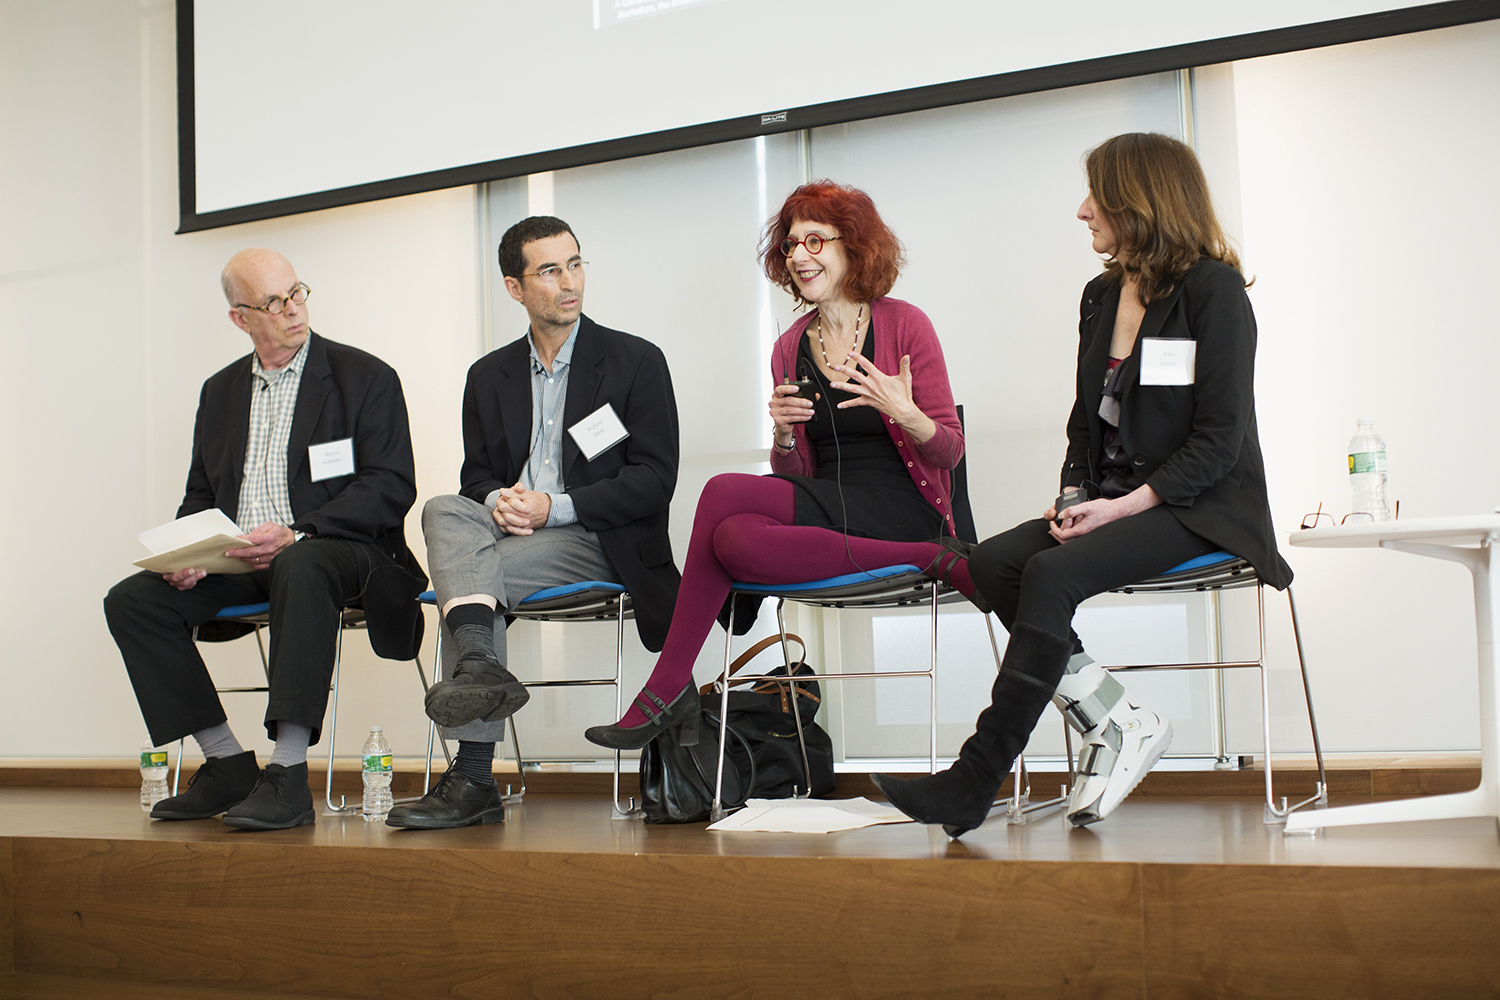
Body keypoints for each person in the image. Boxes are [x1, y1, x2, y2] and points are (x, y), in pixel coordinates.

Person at [875, 132, 1293, 836]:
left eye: (1096, 194)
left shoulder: (1214, 292)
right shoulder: (1101, 294)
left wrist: (1122, 507)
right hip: (1118, 501)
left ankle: (974, 778)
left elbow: (1219, 443)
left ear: (1141, 198)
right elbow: (1085, 420)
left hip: (1202, 505)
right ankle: (1121, 718)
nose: (1081, 210)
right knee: (991, 562)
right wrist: (1076, 496)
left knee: (1050, 575)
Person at [584, 180, 985, 752]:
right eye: (792, 245)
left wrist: (906, 411)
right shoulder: (790, 345)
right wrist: (783, 434)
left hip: (905, 507)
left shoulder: (905, 325)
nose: (799, 256)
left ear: (856, 247)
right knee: (734, 539)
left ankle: (666, 687)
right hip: (834, 510)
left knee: (723, 491)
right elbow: (797, 481)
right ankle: (928, 562)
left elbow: (948, 449)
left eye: (815, 241)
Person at [103, 249, 427, 831]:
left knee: (299, 564)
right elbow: (201, 494)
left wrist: (299, 531)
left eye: (297, 293)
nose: (293, 310)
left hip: (339, 549)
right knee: (132, 599)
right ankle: (226, 761)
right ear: (240, 318)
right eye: (274, 302)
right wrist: (189, 553)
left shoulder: (364, 377)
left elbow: (390, 484)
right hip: (239, 557)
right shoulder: (220, 391)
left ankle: (287, 773)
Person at [386, 216, 682, 829]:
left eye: (575, 263)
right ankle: (480, 665)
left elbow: (656, 479)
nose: (569, 281)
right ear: (515, 288)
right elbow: (475, 479)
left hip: (599, 540)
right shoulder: (487, 376)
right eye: (549, 270)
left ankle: (471, 778)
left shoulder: (634, 361)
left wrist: (556, 507)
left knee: (463, 586)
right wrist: (499, 500)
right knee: (444, 510)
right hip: (513, 533)